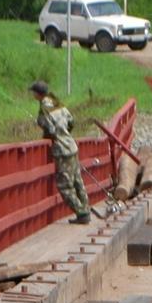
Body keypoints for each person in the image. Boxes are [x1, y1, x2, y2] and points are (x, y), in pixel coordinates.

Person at [30, 79, 93, 223]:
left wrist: (44, 128)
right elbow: (71, 122)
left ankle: (82, 213)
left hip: (61, 150)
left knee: (64, 185)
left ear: (37, 94)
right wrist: (66, 134)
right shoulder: (57, 103)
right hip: (72, 146)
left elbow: (50, 129)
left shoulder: (44, 109)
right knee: (77, 181)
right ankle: (85, 209)